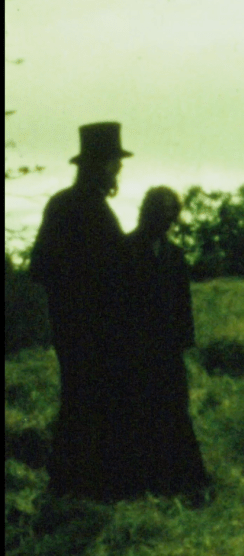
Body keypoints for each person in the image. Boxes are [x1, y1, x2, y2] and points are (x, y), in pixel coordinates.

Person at [29, 122, 137, 502]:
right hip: (84, 327)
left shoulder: (77, 205)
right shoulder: (77, 207)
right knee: (85, 401)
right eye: (113, 163)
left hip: (83, 326)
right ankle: (78, 485)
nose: (118, 170)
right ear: (101, 166)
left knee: (84, 400)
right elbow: (42, 266)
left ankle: (77, 483)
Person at [125, 187, 209, 500]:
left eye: (171, 210)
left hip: (168, 350)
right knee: (140, 414)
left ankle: (181, 482)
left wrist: (184, 343)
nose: (167, 217)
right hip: (136, 350)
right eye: (160, 209)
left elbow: (182, 303)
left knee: (174, 411)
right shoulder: (126, 248)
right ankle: (143, 483)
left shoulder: (174, 255)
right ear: (147, 210)